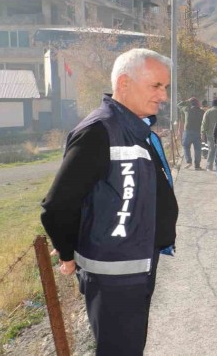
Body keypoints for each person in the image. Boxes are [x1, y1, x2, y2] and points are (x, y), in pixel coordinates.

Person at [40, 48, 178, 356]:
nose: (163, 96)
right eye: (156, 86)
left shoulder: (133, 128)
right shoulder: (99, 131)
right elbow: (58, 204)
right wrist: (67, 253)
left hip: (136, 264)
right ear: (125, 83)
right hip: (115, 275)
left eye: (164, 88)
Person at [178, 97, 204, 169]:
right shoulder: (202, 112)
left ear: (190, 104)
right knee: (197, 149)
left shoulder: (187, 110)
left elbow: (179, 105)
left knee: (186, 146)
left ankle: (189, 161)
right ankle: (197, 165)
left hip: (188, 131)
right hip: (198, 132)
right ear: (197, 104)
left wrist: (186, 100)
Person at [201, 98, 217, 171]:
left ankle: (209, 166)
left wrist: (202, 133)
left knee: (211, 150)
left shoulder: (208, 112)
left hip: (210, 134)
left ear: (212, 104)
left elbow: (204, 124)